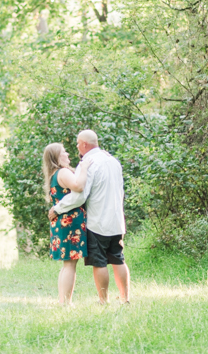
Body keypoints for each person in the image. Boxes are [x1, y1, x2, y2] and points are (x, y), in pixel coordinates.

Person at [48, 130, 130, 304]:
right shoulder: (113, 161)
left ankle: (103, 301)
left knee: (99, 262)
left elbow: (79, 195)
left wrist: (58, 208)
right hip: (116, 220)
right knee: (118, 259)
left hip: (97, 221)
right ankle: (125, 299)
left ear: (84, 144)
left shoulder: (88, 163)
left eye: (78, 143)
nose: (76, 147)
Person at [43, 142, 92, 305]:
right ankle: (66, 302)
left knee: (67, 265)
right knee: (70, 264)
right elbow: (78, 186)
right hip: (69, 221)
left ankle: (63, 300)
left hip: (63, 221)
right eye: (64, 152)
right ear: (57, 156)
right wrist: (84, 168)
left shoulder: (55, 174)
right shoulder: (63, 172)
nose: (68, 155)